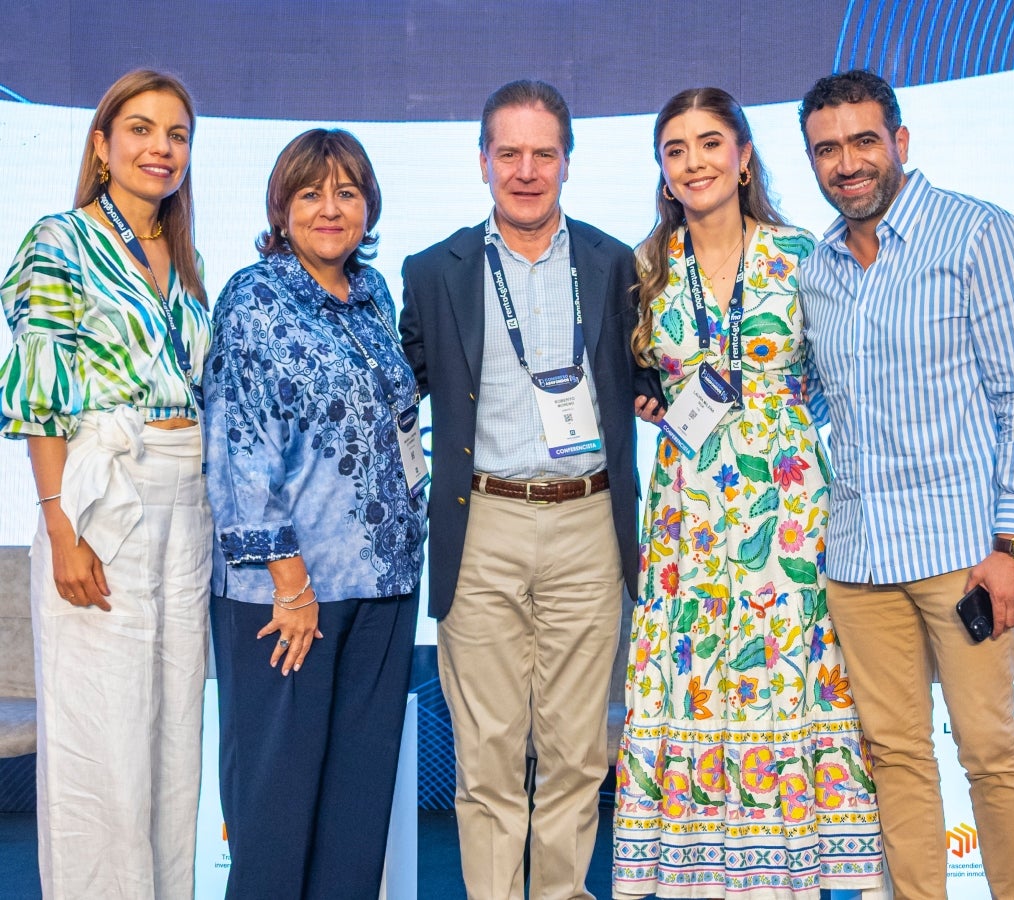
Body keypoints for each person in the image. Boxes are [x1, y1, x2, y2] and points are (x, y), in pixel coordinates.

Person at [798, 69, 1014, 899]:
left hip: (961, 557)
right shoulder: (816, 269)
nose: (847, 163)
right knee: (897, 759)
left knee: (990, 751)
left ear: (900, 143)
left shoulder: (980, 235)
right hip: (859, 564)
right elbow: (803, 396)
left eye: (863, 141)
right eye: (827, 149)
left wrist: (1011, 543)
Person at [613, 87, 883, 899]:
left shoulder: (804, 253)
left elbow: (845, 378)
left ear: (743, 158)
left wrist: (782, 431)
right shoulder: (646, 268)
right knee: (691, 676)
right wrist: (647, 395)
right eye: (675, 150)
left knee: (786, 677)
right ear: (664, 173)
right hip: (687, 519)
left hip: (789, 516)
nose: (693, 162)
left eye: (708, 144)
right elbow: (636, 377)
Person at [400, 79, 663, 899]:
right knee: (487, 759)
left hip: (587, 522)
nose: (524, 171)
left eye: (541, 154)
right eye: (507, 153)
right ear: (482, 162)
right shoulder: (431, 271)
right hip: (481, 527)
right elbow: (394, 395)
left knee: (579, 753)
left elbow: (649, 373)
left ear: (567, 163)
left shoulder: (615, 262)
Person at [0, 70, 210, 898]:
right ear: (101, 145)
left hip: (186, 500)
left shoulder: (186, 255)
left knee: (171, 740)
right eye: (140, 129)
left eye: (178, 135)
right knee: (104, 740)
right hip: (101, 496)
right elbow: (41, 400)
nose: (161, 148)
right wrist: (59, 528)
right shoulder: (58, 240)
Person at [203, 128, 427, 899]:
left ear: (369, 205)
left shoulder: (372, 299)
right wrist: (290, 584)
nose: (331, 208)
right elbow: (240, 446)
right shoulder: (254, 297)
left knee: (355, 818)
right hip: (288, 598)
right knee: (276, 815)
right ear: (281, 205)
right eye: (311, 193)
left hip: (385, 585)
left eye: (348, 191)